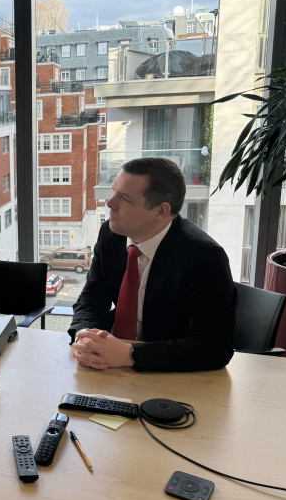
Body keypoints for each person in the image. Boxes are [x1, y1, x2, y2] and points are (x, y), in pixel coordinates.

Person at [69, 157, 236, 373]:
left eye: (124, 198)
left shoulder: (205, 256)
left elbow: (214, 347)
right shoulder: (111, 235)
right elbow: (92, 298)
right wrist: (84, 336)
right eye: (113, 192)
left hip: (169, 374)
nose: (110, 203)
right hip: (109, 366)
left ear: (160, 211)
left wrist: (130, 355)